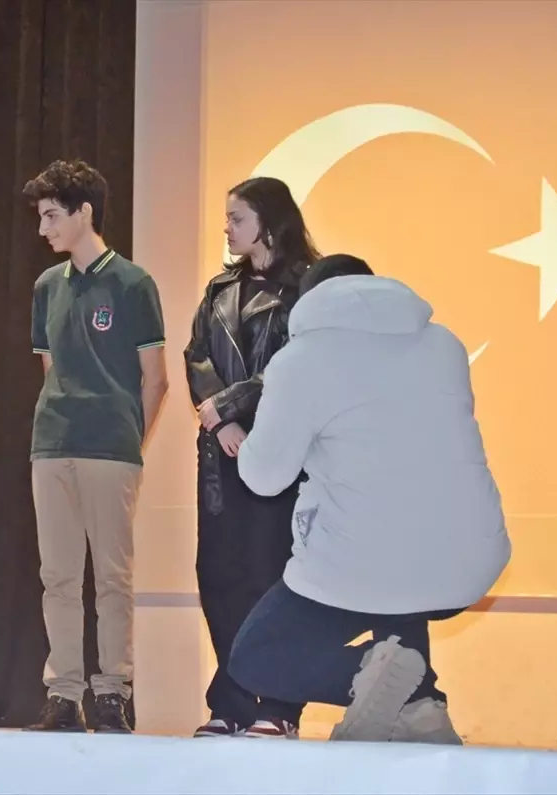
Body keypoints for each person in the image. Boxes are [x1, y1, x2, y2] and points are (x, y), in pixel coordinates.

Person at [227, 254, 511, 744]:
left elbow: (265, 476)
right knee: (399, 591)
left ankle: (407, 692)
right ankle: (421, 712)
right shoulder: (445, 345)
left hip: (361, 563)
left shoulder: (301, 360)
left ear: (310, 301)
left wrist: (247, 427)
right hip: (468, 560)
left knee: (257, 657)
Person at [22, 159, 169, 733]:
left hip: (111, 446)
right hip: (52, 442)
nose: (44, 230)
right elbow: (49, 369)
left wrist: (131, 437)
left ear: (85, 213)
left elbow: (155, 379)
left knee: (112, 576)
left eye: (52, 216)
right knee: (57, 575)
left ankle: (112, 692)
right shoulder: (45, 287)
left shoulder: (133, 283)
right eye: (40, 218)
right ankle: (63, 694)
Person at [183, 176, 320, 739]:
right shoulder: (219, 288)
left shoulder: (309, 287)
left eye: (236, 217)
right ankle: (234, 700)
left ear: (268, 219)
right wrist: (223, 416)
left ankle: (282, 705)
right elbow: (196, 357)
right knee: (219, 574)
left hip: (281, 455)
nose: (227, 227)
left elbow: (297, 367)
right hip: (221, 453)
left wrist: (233, 407)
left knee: (275, 576)